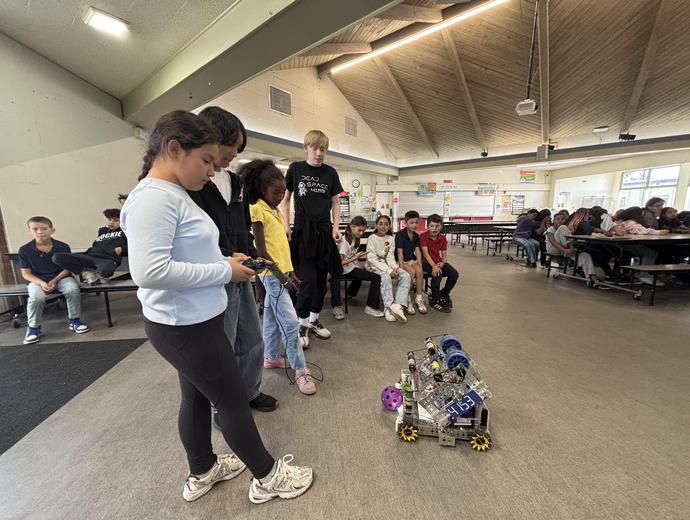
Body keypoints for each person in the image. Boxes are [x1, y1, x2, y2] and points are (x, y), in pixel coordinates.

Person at [120, 110, 313, 504]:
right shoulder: (153, 198)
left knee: (195, 397)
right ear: (174, 149)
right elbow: (150, 271)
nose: (213, 169)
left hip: (193, 318)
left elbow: (185, 252)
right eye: (206, 160)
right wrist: (223, 271)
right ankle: (268, 477)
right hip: (184, 324)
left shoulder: (172, 192)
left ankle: (202, 470)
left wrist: (227, 261)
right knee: (230, 398)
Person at [187, 107, 277, 419]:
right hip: (213, 277)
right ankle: (221, 406)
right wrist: (226, 262)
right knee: (221, 347)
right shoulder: (195, 183)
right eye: (232, 147)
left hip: (241, 272)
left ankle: (250, 391)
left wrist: (252, 253)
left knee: (251, 339)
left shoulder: (236, 183)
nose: (234, 154)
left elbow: (242, 225)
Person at [243, 159, 317, 395]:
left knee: (272, 319)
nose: (280, 197)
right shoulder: (256, 209)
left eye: (284, 193)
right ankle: (300, 370)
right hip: (270, 274)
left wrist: (291, 271)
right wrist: (282, 277)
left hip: (282, 272)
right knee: (291, 323)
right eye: (275, 192)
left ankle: (272, 356)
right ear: (261, 189)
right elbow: (262, 251)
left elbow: (281, 246)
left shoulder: (274, 210)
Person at [282, 130, 343, 347]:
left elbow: (336, 202)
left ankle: (314, 321)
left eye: (323, 149)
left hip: (324, 232)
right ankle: (301, 323)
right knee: (306, 281)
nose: (319, 153)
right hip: (302, 232)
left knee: (321, 280)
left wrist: (335, 227)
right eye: (315, 148)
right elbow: (285, 199)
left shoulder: (330, 173)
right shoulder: (296, 169)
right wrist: (286, 225)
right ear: (306, 147)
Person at [18, 216, 90, 344]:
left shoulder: (62, 247)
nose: (40, 232)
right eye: (35, 229)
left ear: (52, 230)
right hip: (37, 280)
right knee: (36, 297)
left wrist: (55, 280)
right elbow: (26, 273)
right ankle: (33, 328)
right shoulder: (24, 250)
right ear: (29, 231)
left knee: (72, 290)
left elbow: (68, 268)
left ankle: (74, 321)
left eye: (44, 228)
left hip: (61, 277)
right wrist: (41, 283)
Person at [52, 208, 127, 285]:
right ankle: (86, 273)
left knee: (105, 270)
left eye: (116, 220)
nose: (111, 222)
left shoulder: (125, 231)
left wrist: (122, 249)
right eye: (109, 219)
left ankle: (96, 276)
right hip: (90, 256)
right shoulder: (102, 231)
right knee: (57, 257)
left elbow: (134, 247)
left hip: (107, 259)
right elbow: (97, 244)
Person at [330, 216, 384, 318]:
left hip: (349, 267)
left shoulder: (354, 239)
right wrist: (355, 258)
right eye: (359, 230)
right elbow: (340, 263)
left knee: (361, 271)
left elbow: (353, 258)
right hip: (343, 269)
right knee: (377, 278)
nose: (361, 233)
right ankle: (371, 307)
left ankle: (350, 294)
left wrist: (358, 263)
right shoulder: (344, 241)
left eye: (363, 231)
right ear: (351, 226)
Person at [366, 215, 411, 323]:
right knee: (385, 277)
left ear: (389, 226)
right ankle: (388, 307)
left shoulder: (390, 239)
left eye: (386, 224)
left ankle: (398, 306)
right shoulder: (371, 238)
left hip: (389, 266)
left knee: (405, 275)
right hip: (374, 267)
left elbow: (390, 256)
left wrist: (395, 268)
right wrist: (388, 271)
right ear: (376, 225)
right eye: (380, 224)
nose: (383, 226)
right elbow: (372, 259)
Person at [545, 212, 603, 287]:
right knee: (563, 228)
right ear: (554, 220)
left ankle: (591, 279)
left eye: (562, 219)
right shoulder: (551, 229)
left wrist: (571, 248)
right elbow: (553, 243)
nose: (560, 221)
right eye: (558, 219)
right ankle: (567, 249)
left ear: (565, 220)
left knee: (586, 255)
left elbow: (571, 240)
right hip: (554, 249)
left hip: (567, 250)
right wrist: (565, 250)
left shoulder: (566, 229)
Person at [420, 213, 459, 313]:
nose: (434, 228)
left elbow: (444, 254)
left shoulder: (442, 238)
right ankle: (434, 299)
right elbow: (425, 253)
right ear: (427, 226)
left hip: (438, 262)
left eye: (437, 226)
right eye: (432, 226)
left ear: (441, 226)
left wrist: (442, 262)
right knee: (437, 274)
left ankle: (444, 294)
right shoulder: (423, 236)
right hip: (426, 263)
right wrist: (434, 266)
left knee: (454, 274)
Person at [394, 210, 428, 314]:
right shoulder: (400, 234)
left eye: (416, 223)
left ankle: (418, 298)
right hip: (401, 260)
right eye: (411, 223)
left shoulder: (416, 236)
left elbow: (418, 251)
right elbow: (399, 253)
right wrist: (402, 268)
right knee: (411, 272)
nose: (414, 225)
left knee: (419, 271)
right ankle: (407, 299)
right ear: (405, 223)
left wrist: (420, 266)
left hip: (411, 259)